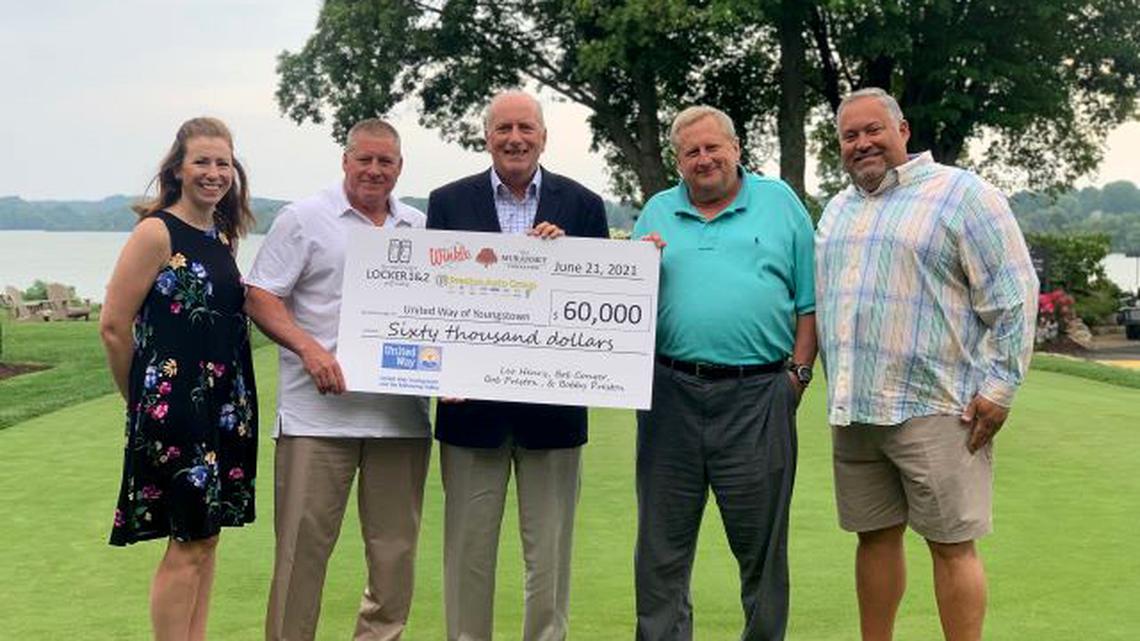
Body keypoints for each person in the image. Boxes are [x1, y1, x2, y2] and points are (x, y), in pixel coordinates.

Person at [815, 87, 1038, 641]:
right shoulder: (838, 208)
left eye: (873, 131)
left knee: (951, 545)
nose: (862, 143)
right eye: (850, 135)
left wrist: (1001, 388)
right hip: (856, 407)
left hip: (939, 407)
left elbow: (1014, 295)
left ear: (903, 130)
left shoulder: (963, 195)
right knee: (874, 538)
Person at [426, 90, 609, 641]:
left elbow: (598, 304)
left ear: (544, 137)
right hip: (469, 412)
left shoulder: (582, 205)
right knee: (467, 556)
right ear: (487, 136)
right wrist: (439, 372)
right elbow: (429, 299)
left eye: (525, 128)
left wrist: (568, 253)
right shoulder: (448, 202)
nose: (515, 138)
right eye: (503, 128)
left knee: (549, 559)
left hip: (553, 414)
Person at [631, 105, 817, 641]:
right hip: (669, 396)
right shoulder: (656, 213)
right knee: (661, 548)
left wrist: (796, 380)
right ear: (678, 160)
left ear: (736, 148)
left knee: (761, 548)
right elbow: (625, 302)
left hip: (759, 393)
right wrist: (638, 267)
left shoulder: (779, 203)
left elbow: (809, 303)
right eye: (692, 151)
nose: (704, 158)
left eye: (714, 147)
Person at [244, 119, 432, 641]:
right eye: (364, 159)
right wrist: (309, 348)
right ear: (345, 160)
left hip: (400, 420)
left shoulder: (418, 226)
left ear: (400, 167)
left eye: (386, 161)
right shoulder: (304, 218)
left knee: (395, 558)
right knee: (301, 556)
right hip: (316, 418)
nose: (374, 170)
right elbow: (260, 294)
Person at [101, 116, 258, 641]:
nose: (213, 173)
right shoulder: (156, 232)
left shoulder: (221, 235)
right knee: (188, 542)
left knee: (207, 539)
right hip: (176, 411)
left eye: (222, 163)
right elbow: (114, 327)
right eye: (202, 162)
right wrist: (141, 401)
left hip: (221, 407)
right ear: (177, 169)